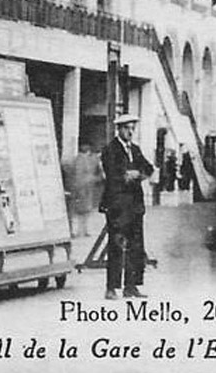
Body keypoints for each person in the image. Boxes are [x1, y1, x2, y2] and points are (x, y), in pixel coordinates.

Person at [99, 113, 154, 300]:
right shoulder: (110, 150)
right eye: (127, 129)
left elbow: (149, 168)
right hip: (118, 207)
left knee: (136, 246)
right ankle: (111, 288)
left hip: (135, 207)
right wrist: (127, 175)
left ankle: (131, 286)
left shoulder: (136, 150)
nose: (130, 132)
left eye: (133, 129)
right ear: (119, 129)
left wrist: (136, 174)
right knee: (116, 245)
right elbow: (113, 175)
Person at [63, 142, 103, 237]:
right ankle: (80, 231)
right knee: (81, 212)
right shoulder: (84, 160)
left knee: (81, 212)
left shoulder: (78, 160)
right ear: (88, 152)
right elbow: (84, 176)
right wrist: (96, 178)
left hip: (80, 189)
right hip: (82, 189)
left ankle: (80, 231)